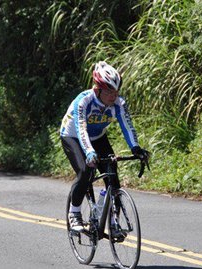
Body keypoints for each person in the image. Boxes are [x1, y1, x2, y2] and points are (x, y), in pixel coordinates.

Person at [60, 61, 149, 233]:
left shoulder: (119, 104)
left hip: (98, 137)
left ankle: (113, 221)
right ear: (97, 89)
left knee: (112, 173)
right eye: (109, 92)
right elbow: (81, 129)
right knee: (86, 171)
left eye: (115, 92)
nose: (113, 96)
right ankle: (75, 213)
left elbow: (127, 126)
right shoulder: (83, 101)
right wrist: (89, 152)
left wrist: (136, 148)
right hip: (73, 136)